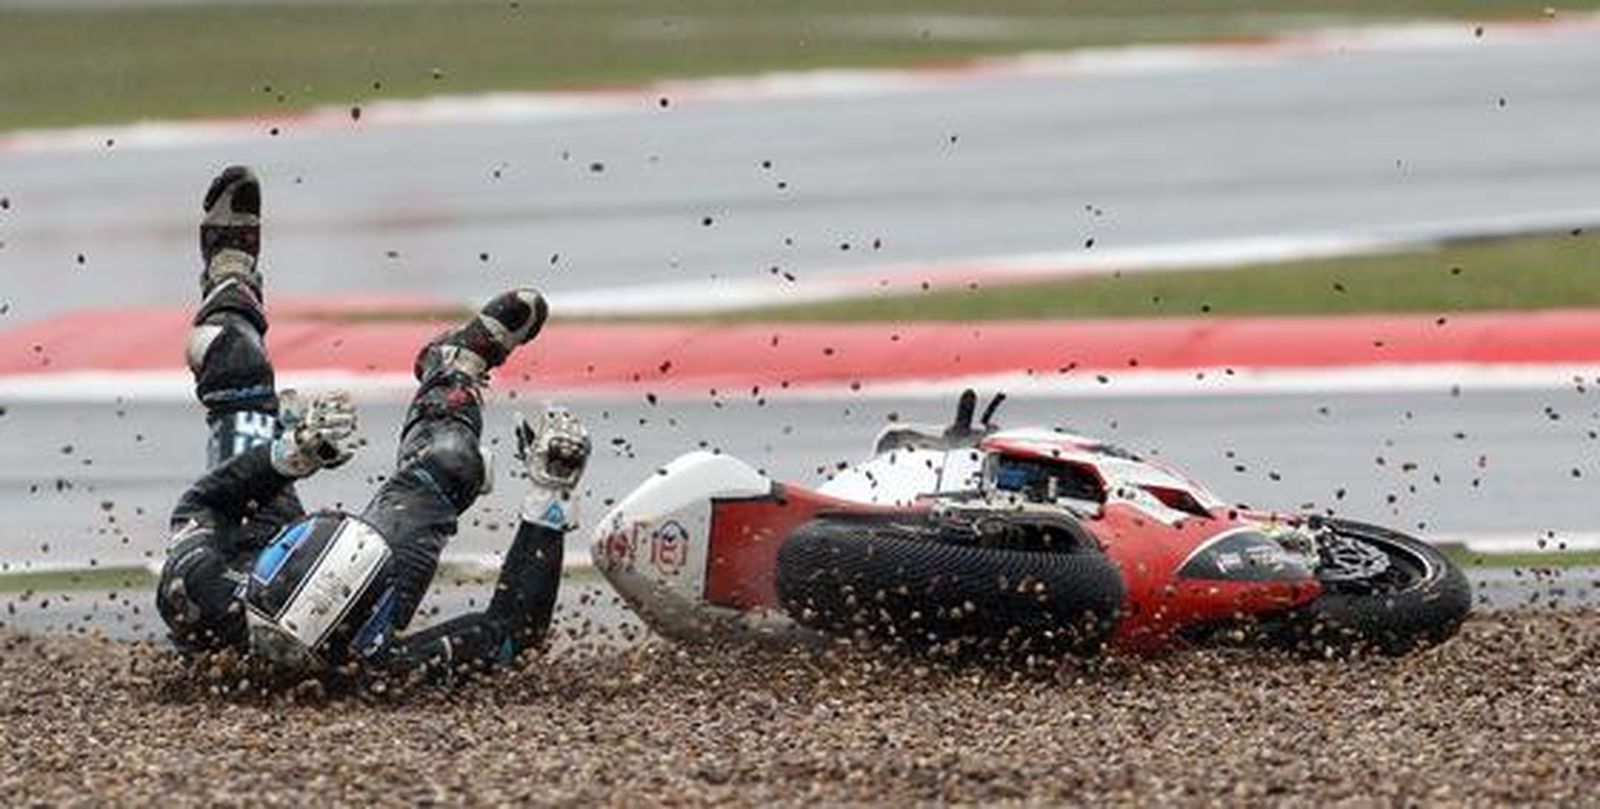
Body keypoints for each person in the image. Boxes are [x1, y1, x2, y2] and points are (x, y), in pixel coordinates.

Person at [154, 165, 589, 685]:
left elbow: (200, 504)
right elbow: (516, 631)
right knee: (453, 463)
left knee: (229, 354)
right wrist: (551, 498)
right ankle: (453, 368)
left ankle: (230, 275)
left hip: (250, 546)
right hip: (288, 581)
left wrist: (286, 457)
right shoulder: (384, 669)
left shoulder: (196, 589)